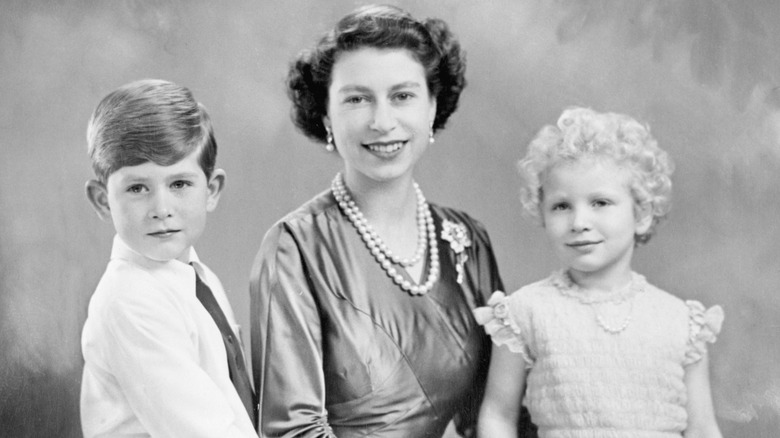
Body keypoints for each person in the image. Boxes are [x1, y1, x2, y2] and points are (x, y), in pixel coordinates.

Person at [250, 5, 536, 437]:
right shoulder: (295, 246)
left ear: (432, 106)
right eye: (357, 99)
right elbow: (293, 431)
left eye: (402, 96)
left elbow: (497, 413)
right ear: (326, 116)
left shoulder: (466, 240)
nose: (382, 122)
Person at [474, 107, 724, 437]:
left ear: (643, 213)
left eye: (600, 203)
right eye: (562, 206)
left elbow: (703, 429)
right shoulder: (526, 312)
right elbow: (498, 415)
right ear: (542, 212)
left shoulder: (681, 322)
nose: (579, 223)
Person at [80, 79, 257, 437]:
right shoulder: (130, 300)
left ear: (211, 190)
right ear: (102, 200)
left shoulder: (195, 277)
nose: (161, 209)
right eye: (136, 188)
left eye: (179, 184)